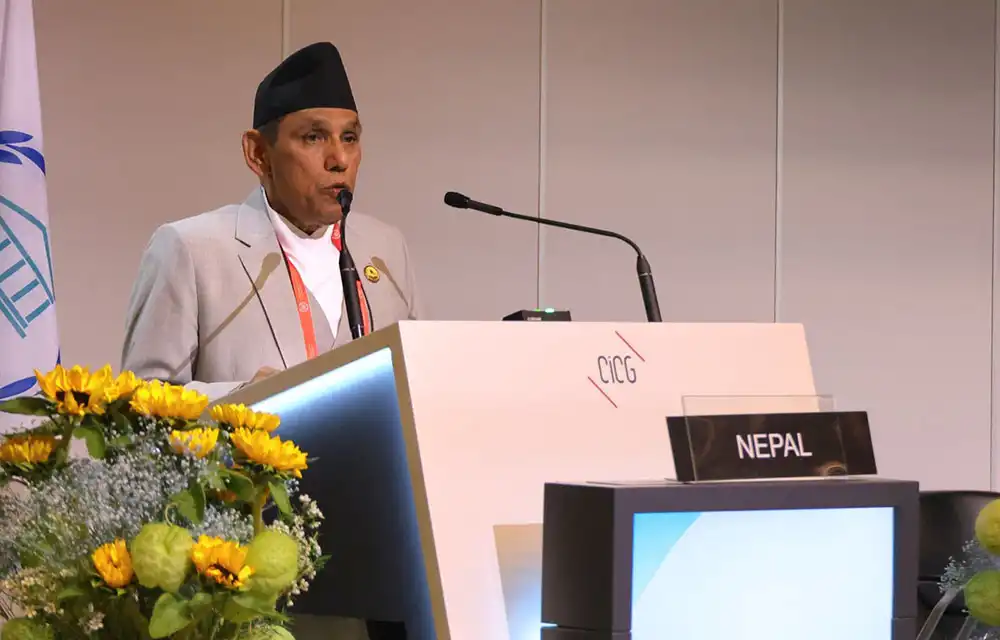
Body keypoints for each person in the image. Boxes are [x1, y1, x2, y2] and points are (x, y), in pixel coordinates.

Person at [121, 42, 421, 401]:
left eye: (349, 138)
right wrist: (247, 399)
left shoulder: (385, 250)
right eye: (314, 137)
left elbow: (420, 377)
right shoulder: (191, 250)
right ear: (259, 154)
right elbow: (139, 402)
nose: (339, 159)